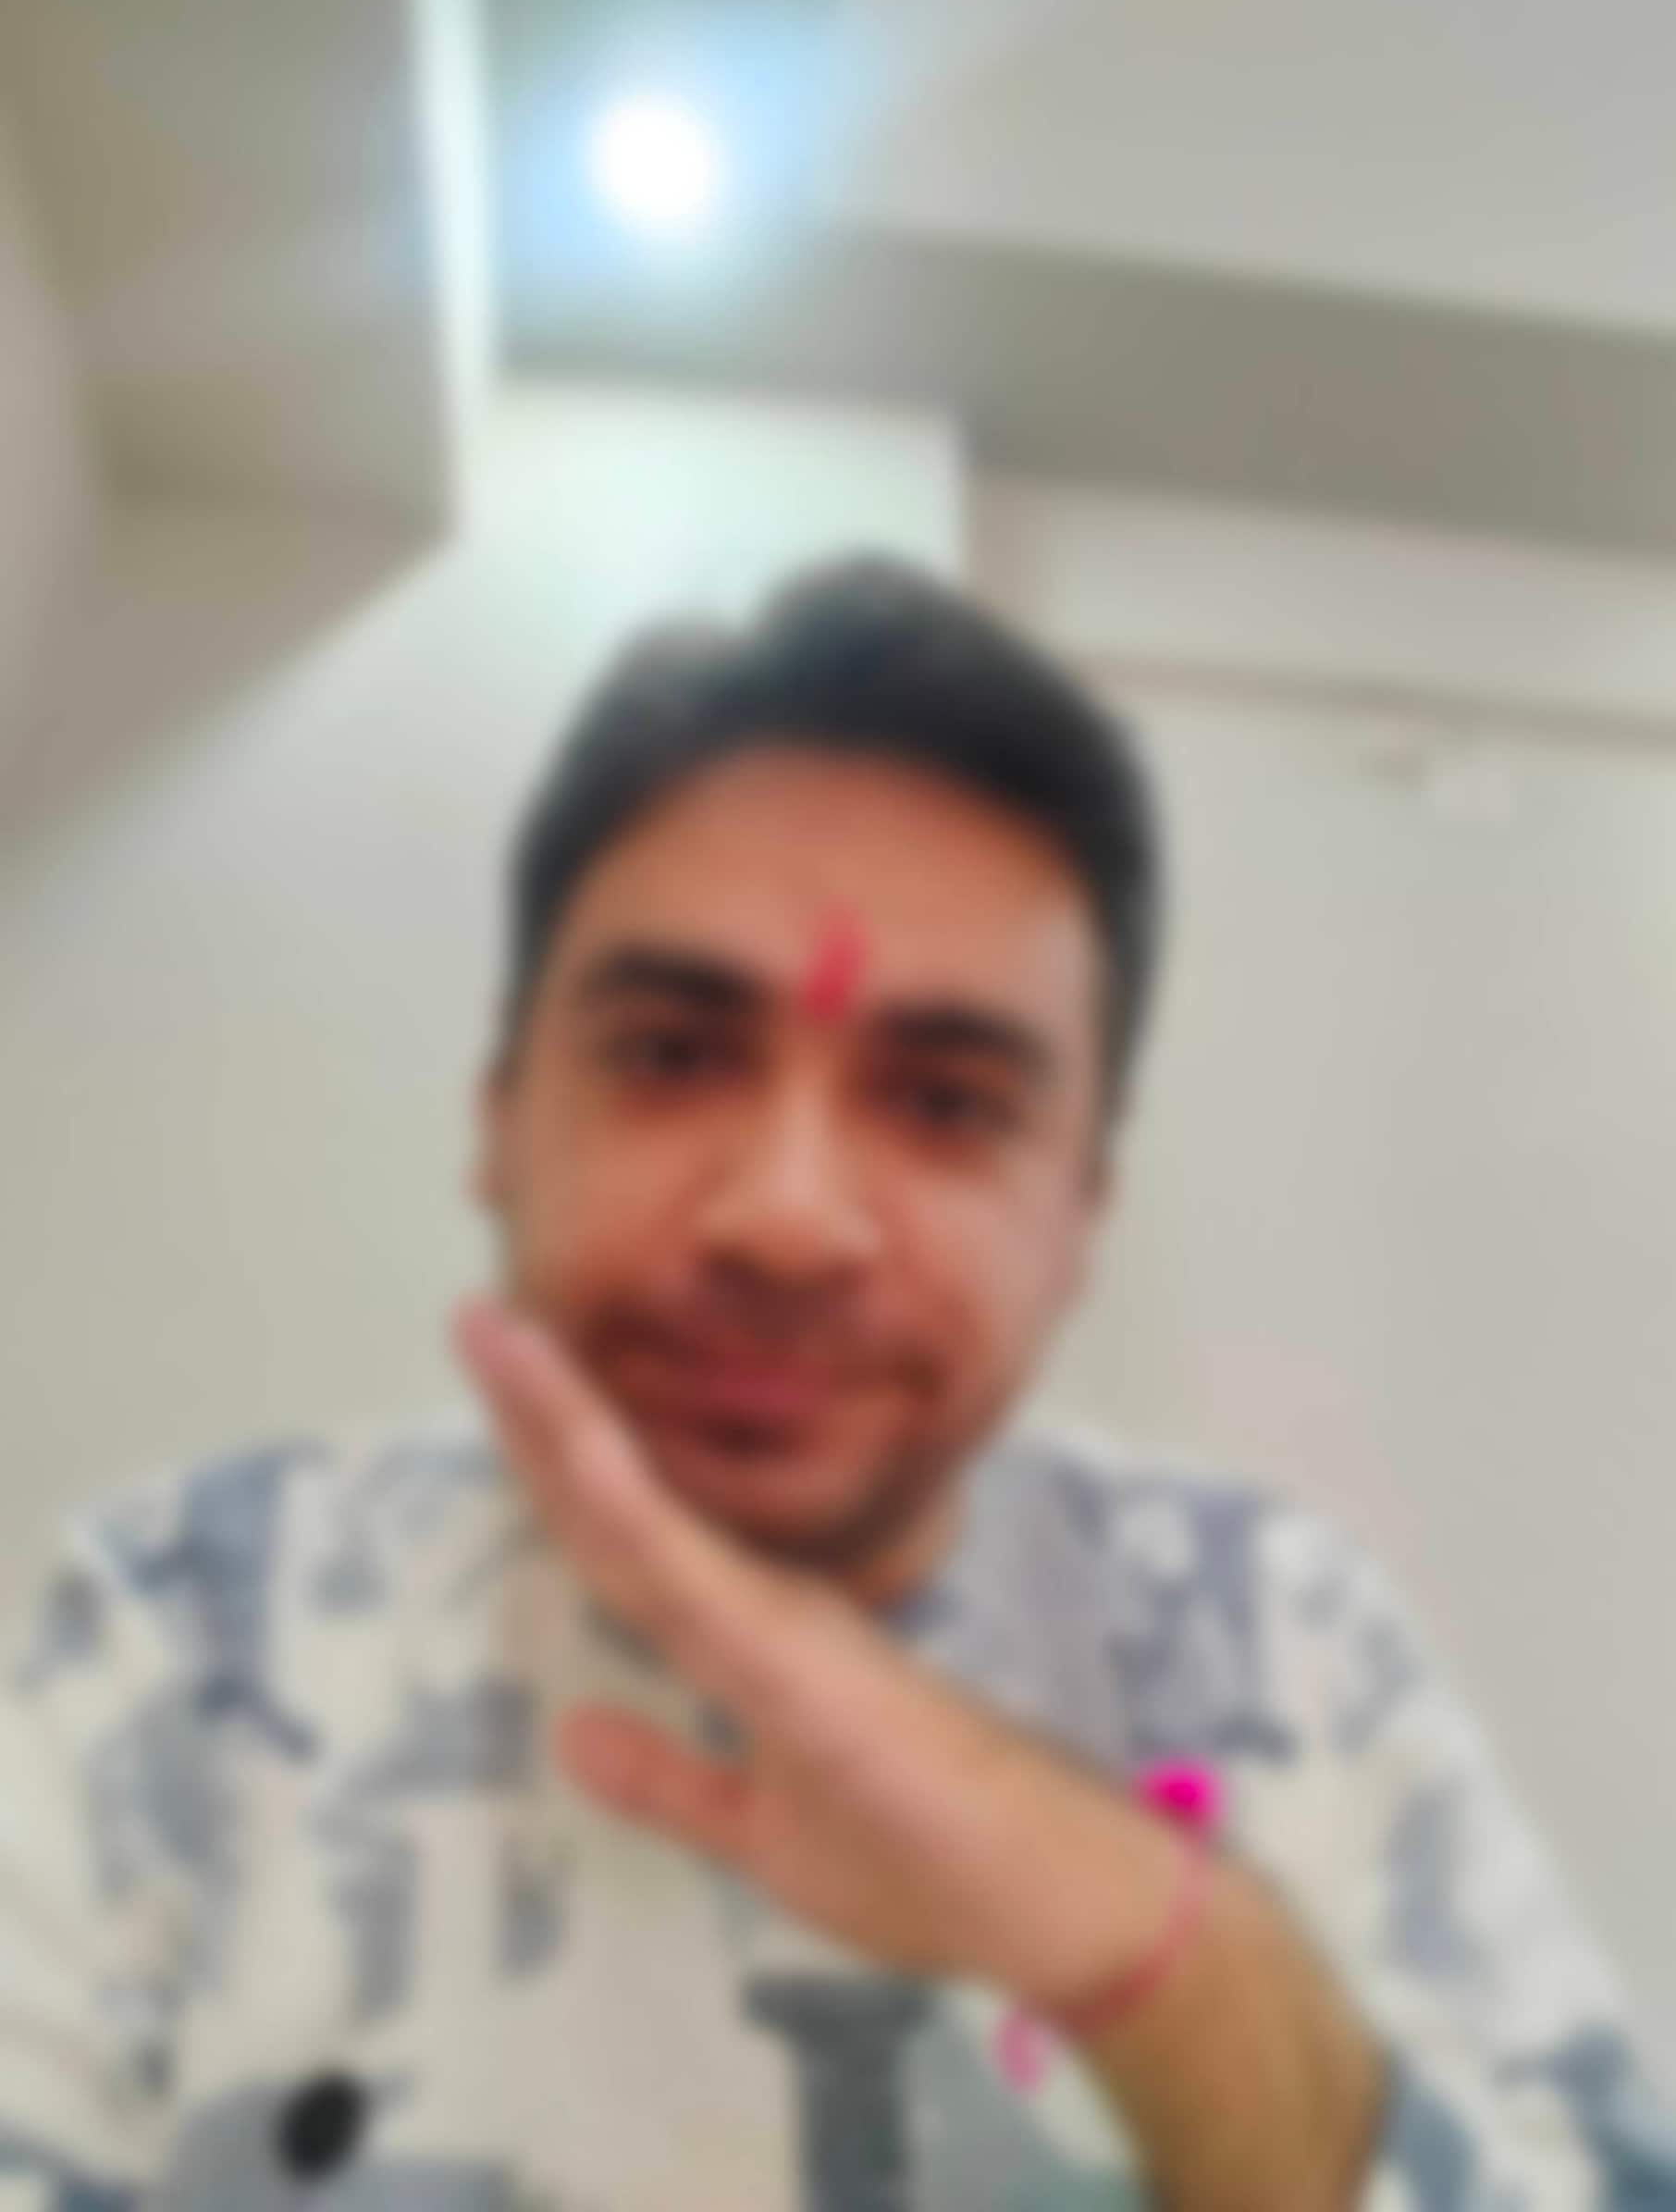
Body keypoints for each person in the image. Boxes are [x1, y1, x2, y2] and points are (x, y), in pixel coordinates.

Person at [2, 559, 1672, 2211]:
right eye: (670, 1055)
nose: (788, 1223)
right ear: (499, 1119)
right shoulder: (183, 1629)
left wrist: (1157, 1954)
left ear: (1080, 1217)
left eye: (946, 1104)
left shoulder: (1288, 1644)